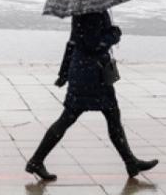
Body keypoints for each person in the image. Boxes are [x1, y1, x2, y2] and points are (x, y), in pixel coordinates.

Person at [25, 10, 158, 182]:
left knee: (98, 116)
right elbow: (93, 44)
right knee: (101, 116)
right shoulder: (94, 11)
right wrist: (114, 34)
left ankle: (130, 162)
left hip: (81, 70)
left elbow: (72, 42)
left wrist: (64, 73)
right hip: (93, 74)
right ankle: (36, 160)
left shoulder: (80, 10)